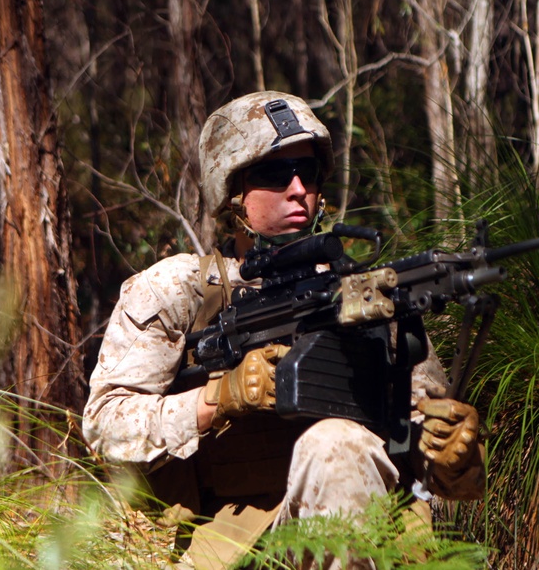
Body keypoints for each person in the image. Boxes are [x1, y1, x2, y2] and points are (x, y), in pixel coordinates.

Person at [83, 91, 485, 569]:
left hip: (364, 546)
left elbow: (441, 475)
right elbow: (105, 426)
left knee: (337, 445)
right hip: (226, 547)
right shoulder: (177, 290)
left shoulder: (364, 297)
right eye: (275, 174)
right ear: (231, 192)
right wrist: (216, 399)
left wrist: (454, 458)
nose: (298, 188)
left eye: (308, 173)